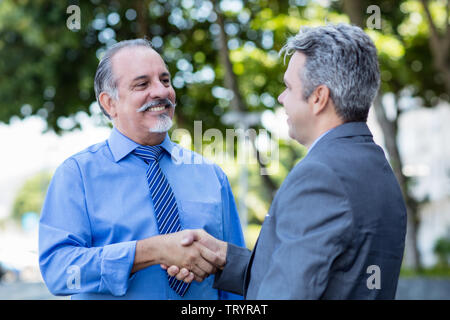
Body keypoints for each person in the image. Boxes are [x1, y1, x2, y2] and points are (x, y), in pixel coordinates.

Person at [165, 24, 407, 299]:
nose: (281, 98)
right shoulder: (378, 168)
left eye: (289, 87)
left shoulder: (320, 176)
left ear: (318, 98)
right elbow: (330, 275)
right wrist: (225, 258)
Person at [38, 39, 245, 300]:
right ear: (109, 103)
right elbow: (59, 271)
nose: (160, 91)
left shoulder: (212, 176)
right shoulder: (77, 175)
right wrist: (151, 251)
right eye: (142, 84)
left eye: (165, 80)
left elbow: (237, 279)